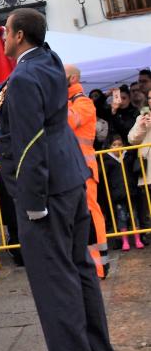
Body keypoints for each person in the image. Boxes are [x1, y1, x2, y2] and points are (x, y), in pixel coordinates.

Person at [0, 8, 117, 351]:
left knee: (55, 280)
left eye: (6, 33)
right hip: (71, 181)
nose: (2, 39)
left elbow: (29, 143)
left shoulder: (27, 74)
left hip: (46, 191)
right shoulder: (49, 60)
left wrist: (31, 202)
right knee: (80, 271)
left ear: (18, 37)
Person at [65, 65, 109, 279]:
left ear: (72, 79)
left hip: (84, 170)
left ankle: (99, 265)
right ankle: (88, 265)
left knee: (90, 214)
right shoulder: (69, 103)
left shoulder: (83, 103)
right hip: (73, 170)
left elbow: (68, 122)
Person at [127, 87, 151, 238]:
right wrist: (142, 126)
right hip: (147, 170)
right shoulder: (143, 116)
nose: (150, 101)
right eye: (149, 98)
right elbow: (131, 139)